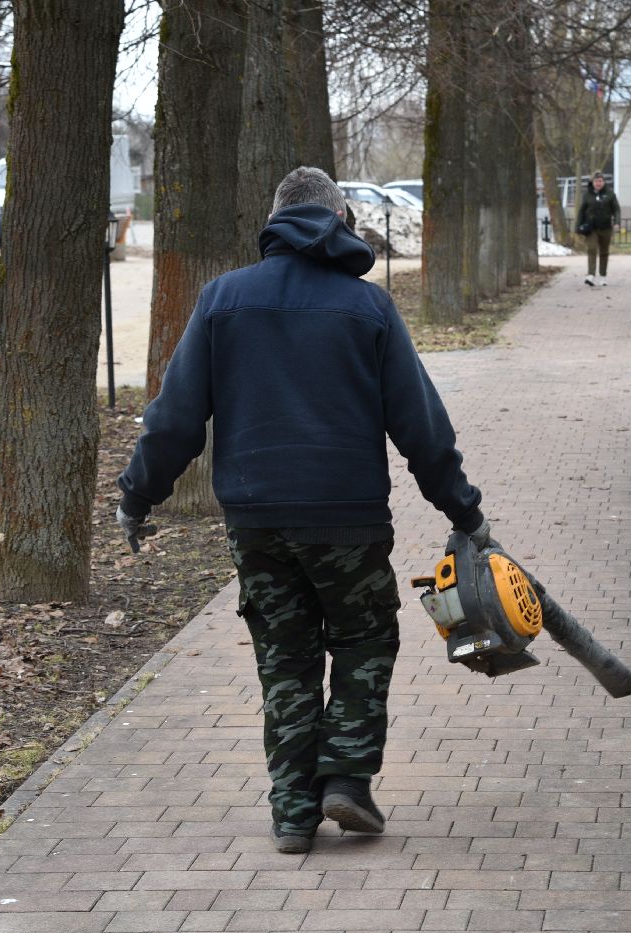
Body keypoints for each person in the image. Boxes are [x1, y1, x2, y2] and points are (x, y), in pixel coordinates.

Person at [115, 166, 494, 855]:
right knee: (363, 641)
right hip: (348, 518)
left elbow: (174, 420)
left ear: (275, 219)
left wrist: (138, 495)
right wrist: (462, 511)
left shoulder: (223, 300)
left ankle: (292, 810)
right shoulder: (367, 308)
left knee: (285, 658)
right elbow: (422, 428)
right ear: (339, 219)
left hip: (256, 521)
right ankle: (346, 776)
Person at [575, 170, 620, 286]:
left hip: (605, 228)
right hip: (591, 228)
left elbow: (616, 209)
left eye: (600, 181)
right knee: (592, 249)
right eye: (596, 181)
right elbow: (581, 211)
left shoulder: (610, 194)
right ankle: (590, 275)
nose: (598, 183)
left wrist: (617, 222)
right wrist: (577, 227)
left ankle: (603, 276)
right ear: (592, 182)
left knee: (604, 252)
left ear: (604, 182)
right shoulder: (587, 195)